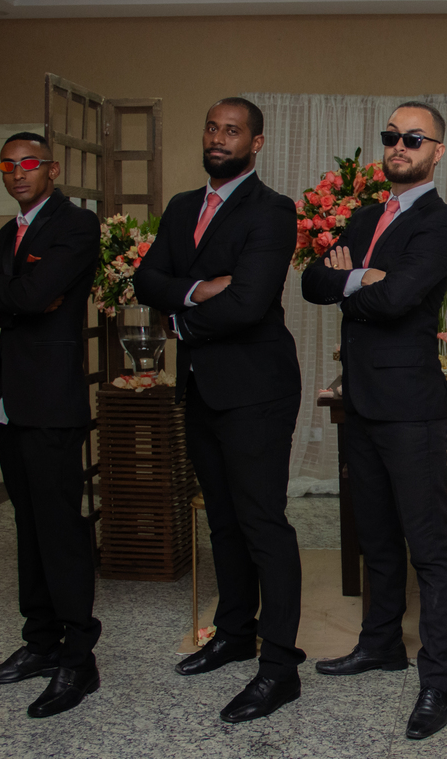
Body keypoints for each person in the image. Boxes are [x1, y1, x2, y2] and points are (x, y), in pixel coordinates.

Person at [133, 98, 305, 723]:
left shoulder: (272, 210)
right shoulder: (182, 207)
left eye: (232, 131)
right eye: (211, 127)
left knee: (262, 524)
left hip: (258, 389)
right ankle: (234, 633)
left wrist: (179, 317)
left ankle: (279, 667)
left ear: (255, 144)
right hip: (202, 387)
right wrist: (200, 289)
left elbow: (251, 303)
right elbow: (144, 280)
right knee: (224, 522)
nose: (218, 138)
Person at [301, 101, 447, 740]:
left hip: (410, 405)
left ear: (437, 152)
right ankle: (380, 644)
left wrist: (356, 281)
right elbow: (312, 283)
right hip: (360, 401)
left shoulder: (441, 221)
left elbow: (398, 298)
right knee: (375, 535)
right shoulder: (365, 216)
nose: (400, 145)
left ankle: (439, 677)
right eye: (392, 136)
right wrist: (362, 277)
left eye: (414, 138)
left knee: (428, 544)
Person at [0, 132, 102, 718]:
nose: (17, 173)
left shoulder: (77, 225)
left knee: (60, 531)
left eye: (28, 163)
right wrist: (16, 295)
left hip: (50, 403)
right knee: (28, 528)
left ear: (52, 169)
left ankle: (79, 659)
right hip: (8, 402)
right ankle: (41, 643)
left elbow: (34, 293)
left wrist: (12, 294)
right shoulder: (9, 233)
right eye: (8, 165)